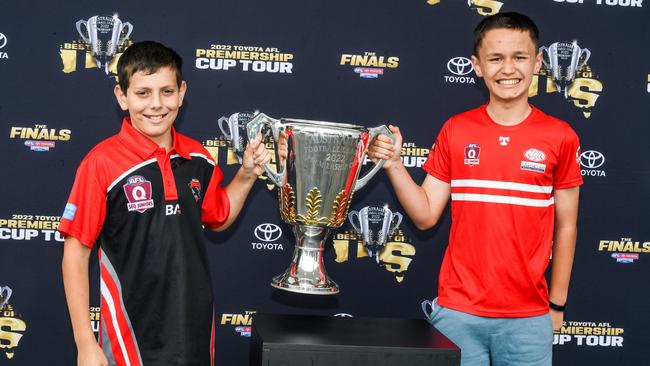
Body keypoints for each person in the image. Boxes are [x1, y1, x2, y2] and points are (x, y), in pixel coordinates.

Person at [368, 12, 582, 365]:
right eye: (495, 59)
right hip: (458, 314)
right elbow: (424, 215)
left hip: (529, 319)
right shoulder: (457, 130)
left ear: (539, 62)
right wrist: (393, 164)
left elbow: (567, 226)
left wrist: (556, 305)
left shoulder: (560, 136)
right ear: (477, 66)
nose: (508, 69)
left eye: (520, 57)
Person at [59, 41, 270, 366]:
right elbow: (75, 254)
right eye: (143, 93)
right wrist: (85, 343)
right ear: (122, 96)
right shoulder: (101, 163)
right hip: (129, 337)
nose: (156, 104)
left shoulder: (198, 157)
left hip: (194, 333)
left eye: (166, 91)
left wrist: (246, 174)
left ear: (182, 92)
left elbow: (220, 216)